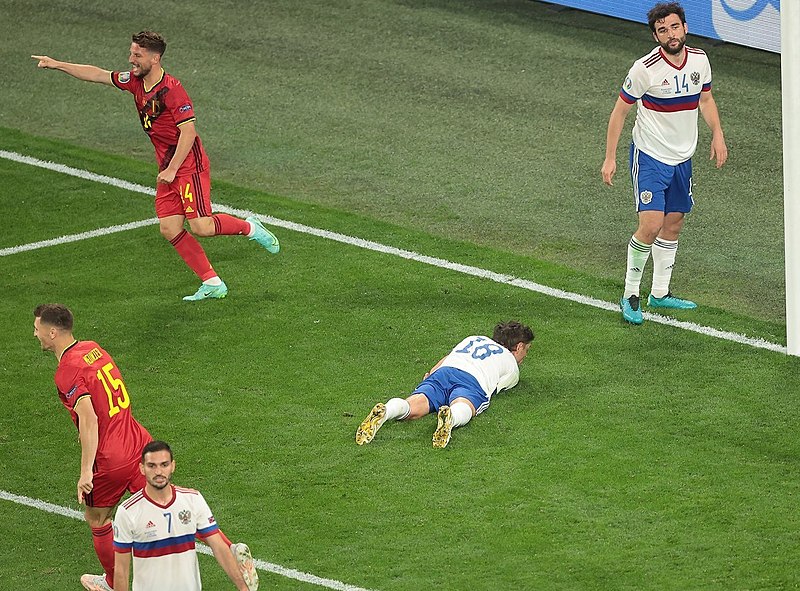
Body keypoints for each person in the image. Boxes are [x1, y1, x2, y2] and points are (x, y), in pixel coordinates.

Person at [32, 31, 280, 302]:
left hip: (188, 165)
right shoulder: (135, 81)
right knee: (169, 228)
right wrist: (57, 64)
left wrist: (173, 169)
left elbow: (189, 132)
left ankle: (250, 227)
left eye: (137, 55)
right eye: (131, 53)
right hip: (167, 166)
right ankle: (213, 282)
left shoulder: (172, 90)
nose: (131, 59)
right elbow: (99, 74)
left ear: (155, 57)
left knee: (201, 227)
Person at [33, 304, 258, 591]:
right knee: (169, 504)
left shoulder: (66, 370)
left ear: (52, 332)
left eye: (38, 328)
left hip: (110, 456)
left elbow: (90, 421)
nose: (35, 333)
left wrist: (86, 471)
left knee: (97, 518)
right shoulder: (93, 349)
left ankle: (114, 583)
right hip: (138, 441)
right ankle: (232, 551)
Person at [601, 2, 728, 325]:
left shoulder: (700, 60)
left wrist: (718, 134)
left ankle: (659, 293)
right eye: (662, 30)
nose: (670, 34)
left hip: (683, 158)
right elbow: (620, 111)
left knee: (673, 224)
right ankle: (631, 293)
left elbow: (706, 99)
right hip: (650, 157)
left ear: (685, 28)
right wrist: (611, 157)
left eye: (674, 27)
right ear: (656, 36)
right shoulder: (645, 68)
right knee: (651, 224)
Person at [355, 321, 534, 448]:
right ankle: (451, 418)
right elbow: (495, 388)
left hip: (445, 372)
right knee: (464, 405)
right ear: (518, 347)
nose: (525, 356)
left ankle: (387, 411)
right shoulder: (512, 366)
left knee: (414, 406)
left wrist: (431, 374)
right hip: (473, 381)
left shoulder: (474, 338)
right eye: (526, 349)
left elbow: (448, 357)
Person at [113, 441, 252, 591]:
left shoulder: (193, 500)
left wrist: (243, 587)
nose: (158, 472)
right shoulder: (128, 512)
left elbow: (219, 547)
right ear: (142, 469)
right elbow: (121, 570)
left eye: (164, 465)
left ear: (173, 466)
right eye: (152, 466)